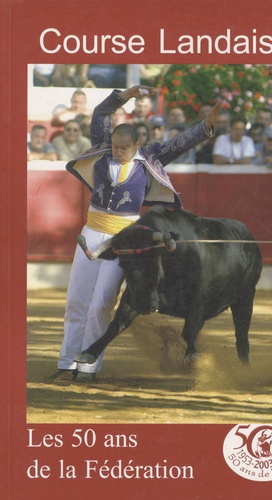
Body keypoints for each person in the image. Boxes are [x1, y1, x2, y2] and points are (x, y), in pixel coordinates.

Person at [53, 84, 222, 381]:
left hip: (123, 241)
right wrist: (126, 95)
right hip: (90, 233)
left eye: (124, 148)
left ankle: (89, 364)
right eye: (115, 147)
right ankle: (67, 362)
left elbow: (179, 144)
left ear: (137, 144)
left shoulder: (151, 159)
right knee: (76, 301)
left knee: (102, 303)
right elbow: (100, 113)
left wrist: (203, 128)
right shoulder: (103, 149)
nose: (118, 152)